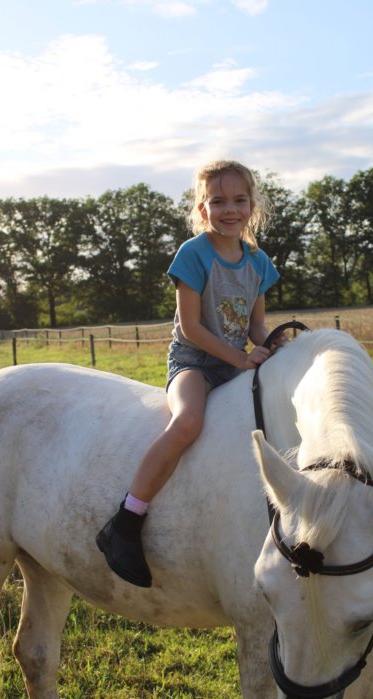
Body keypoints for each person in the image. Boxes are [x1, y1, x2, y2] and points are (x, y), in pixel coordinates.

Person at [96, 160, 283, 588]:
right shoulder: (193, 254)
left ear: (252, 207)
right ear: (203, 209)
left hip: (234, 363)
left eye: (239, 200)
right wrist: (240, 359)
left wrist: (273, 343)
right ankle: (126, 520)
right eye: (218, 201)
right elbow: (192, 328)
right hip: (194, 361)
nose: (229, 209)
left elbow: (255, 326)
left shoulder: (258, 262)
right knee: (188, 423)